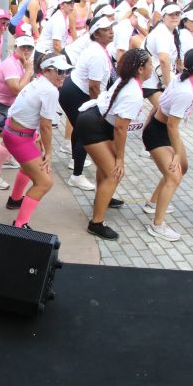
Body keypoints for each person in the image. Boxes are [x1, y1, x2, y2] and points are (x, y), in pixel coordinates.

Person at [142, 49, 193, 241]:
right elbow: (172, 125)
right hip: (159, 133)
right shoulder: (185, 90)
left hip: (163, 130)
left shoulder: (183, 80)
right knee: (174, 175)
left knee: (181, 168)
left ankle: (153, 203)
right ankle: (157, 225)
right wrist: (176, 153)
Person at [75, 48, 151, 241]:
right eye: (150, 64)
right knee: (113, 173)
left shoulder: (127, 81)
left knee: (106, 170)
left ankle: (103, 198)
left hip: (97, 122)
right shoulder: (133, 92)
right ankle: (96, 223)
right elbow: (120, 129)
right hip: (93, 126)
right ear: (140, 70)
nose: (152, 67)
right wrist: (120, 158)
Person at [2, 53, 72, 229]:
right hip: (19, 137)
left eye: (66, 72)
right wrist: (48, 153)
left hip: (14, 132)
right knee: (44, 182)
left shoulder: (38, 81)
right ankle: (20, 224)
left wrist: (37, 138)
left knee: (30, 167)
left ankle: (15, 199)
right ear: (47, 71)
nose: (64, 76)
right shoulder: (50, 90)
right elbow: (46, 125)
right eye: (60, 71)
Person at [58, 16, 115, 192]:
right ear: (96, 34)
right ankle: (77, 175)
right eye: (106, 30)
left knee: (80, 128)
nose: (111, 32)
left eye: (111, 28)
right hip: (75, 92)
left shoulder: (101, 48)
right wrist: (97, 111)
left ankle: (76, 161)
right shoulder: (97, 54)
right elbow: (94, 87)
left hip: (73, 90)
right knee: (87, 130)